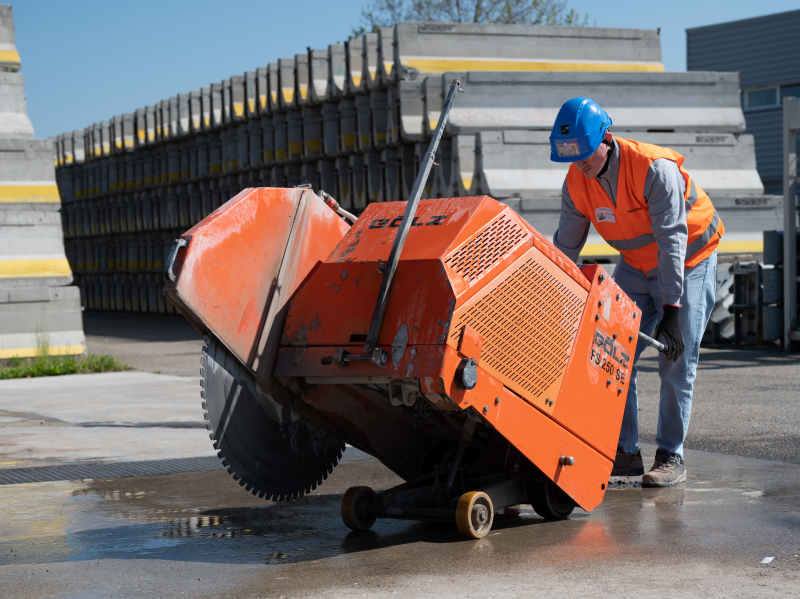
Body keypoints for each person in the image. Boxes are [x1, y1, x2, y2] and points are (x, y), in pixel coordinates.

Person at [549, 98, 722, 487]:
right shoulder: (577, 181)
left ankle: (670, 456)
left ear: (605, 138)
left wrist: (672, 312)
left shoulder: (652, 170)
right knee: (609, 351)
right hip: (637, 264)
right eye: (571, 158)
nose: (580, 164)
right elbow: (565, 249)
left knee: (675, 359)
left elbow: (672, 240)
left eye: (585, 154)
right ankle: (625, 453)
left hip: (690, 260)